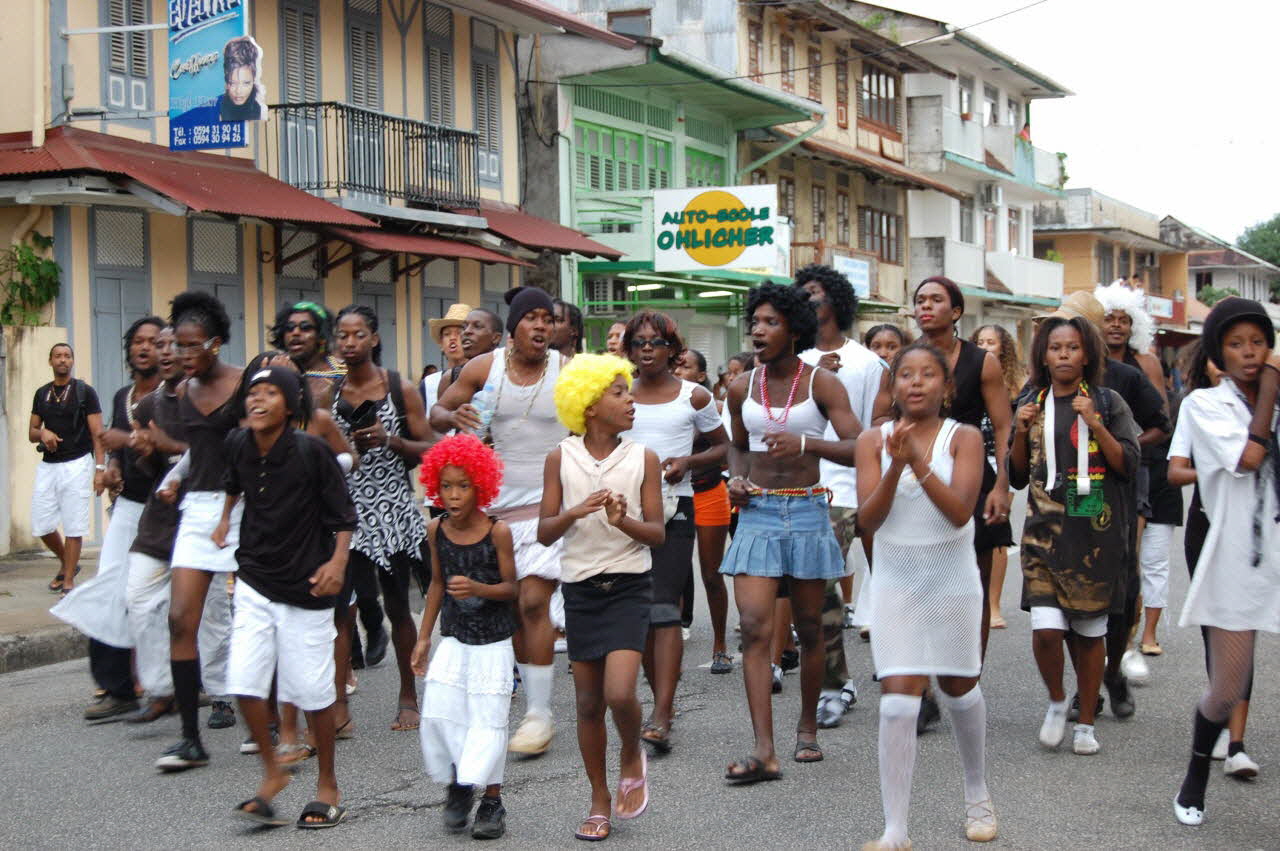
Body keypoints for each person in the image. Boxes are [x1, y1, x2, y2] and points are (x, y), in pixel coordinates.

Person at [856, 344, 995, 848]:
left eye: (928, 374)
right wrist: (895, 466)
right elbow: (867, 521)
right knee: (897, 703)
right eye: (906, 375)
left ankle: (977, 790)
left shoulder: (965, 438)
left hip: (952, 577)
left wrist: (918, 461)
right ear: (892, 389)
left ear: (947, 386)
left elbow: (960, 512)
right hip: (896, 579)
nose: (916, 383)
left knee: (960, 692)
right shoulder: (873, 440)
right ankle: (895, 829)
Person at [721, 283, 860, 782]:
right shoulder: (741, 387)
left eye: (770, 322)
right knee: (756, 629)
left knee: (811, 627)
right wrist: (735, 478)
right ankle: (764, 748)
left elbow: (858, 445)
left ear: (794, 329)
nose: (757, 330)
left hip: (806, 513)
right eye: (754, 321)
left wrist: (806, 442)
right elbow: (736, 444)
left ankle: (807, 728)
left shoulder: (822, 384)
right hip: (757, 514)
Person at [432, 286, 569, 756]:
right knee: (512, 609)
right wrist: (455, 412)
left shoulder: (568, 370)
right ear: (513, 327)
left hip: (548, 509)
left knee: (533, 602)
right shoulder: (484, 368)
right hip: (497, 512)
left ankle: (539, 714)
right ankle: (524, 695)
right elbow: (436, 413)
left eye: (547, 319)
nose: (541, 326)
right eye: (531, 317)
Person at [218, 366, 355, 830]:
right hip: (255, 578)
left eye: (270, 392)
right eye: (252, 392)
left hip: (308, 587)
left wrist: (336, 565)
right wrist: (222, 521)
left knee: (314, 693)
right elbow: (235, 487)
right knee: (242, 681)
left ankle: (328, 786)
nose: (257, 400)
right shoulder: (238, 444)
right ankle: (273, 771)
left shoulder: (312, 452)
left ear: (291, 404)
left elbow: (343, 517)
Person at [538, 353, 665, 841]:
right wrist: (576, 512)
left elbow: (655, 534)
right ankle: (598, 799)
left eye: (628, 391)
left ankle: (631, 751)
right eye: (618, 393)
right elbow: (546, 532)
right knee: (588, 704)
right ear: (588, 405)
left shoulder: (643, 457)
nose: (630, 400)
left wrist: (621, 521)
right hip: (580, 588)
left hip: (629, 583)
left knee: (619, 692)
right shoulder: (560, 457)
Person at [1169, 298, 1279, 826]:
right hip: (1240, 556)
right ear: (1218, 352)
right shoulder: (1203, 407)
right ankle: (1195, 774)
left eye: (1258, 342)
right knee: (1227, 687)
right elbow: (1247, 459)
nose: (1249, 353)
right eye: (1236, 344)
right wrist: (1273, 391)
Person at [1010, 315, 1140, 756]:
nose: (1064, 355)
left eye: (1073, 347)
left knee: (1088, 633)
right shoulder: (1031, 400)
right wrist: (1020, 431)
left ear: (1087, 355)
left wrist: (1097, 424)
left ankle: (1085, 723)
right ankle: (1056, 700)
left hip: (1095, 533)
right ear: (1043, 356)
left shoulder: (1108, 400)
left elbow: (1128, 466)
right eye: (1055, 348)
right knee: (1046, 630)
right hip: (1043, 533)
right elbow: (1014, 474)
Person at [620, 312, 727, 752]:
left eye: (657, 343)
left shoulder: (695, 396)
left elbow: (725, 447)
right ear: (628, 349)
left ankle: (662, 713)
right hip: (620, 510)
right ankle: (662, 696)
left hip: (674, 508)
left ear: (673, 351)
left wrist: (689, 462)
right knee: (641, 612)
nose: (648, 349)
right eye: (639, 342)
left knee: (664, 607)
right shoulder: (616, 391)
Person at [795, 264, 892, 729]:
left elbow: (876, 431)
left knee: (892, 582)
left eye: (814, 292)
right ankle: (837, 683)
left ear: (835, 299)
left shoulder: (868, 363)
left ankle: (908, 679)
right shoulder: (790, 358)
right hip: (804, 487)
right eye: (802, 293)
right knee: (818, 592)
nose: (807, 299)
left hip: (858, 483)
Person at [53, 317, 162, 722]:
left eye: (152, 341)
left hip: (169, 511)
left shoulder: (177, 395)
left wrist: (130, 444)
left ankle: (185, 683)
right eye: (137, 341)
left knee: (173, 600)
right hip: (131, 507)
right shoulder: (123, 396)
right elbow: (115, 445)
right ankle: (117, 689)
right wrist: (113, 466)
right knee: (110, 591)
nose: (144, 347)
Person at [332, 305, 434, 736]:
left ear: (374, 338)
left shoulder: (398, 387)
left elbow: (428, 446)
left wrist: (389, 440)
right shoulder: (329, 394)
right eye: (342, 335)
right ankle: (336, 705)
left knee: (397, 605)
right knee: (340, 612)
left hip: (392, 507)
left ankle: (408, 695)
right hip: (346, 511)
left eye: (358, 335)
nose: (349, 343)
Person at [153, 290, 243, 770]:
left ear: (216, 342)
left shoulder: (244, 383)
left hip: (244, 507)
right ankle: (191, 738)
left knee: (254, 619)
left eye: (191, 347)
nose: (183, 356)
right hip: (199, 509)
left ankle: (271, 723)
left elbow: (253, 451)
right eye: (178, 347)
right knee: (180, 618)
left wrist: (233, 510)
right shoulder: (185, 393)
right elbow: (199, 452)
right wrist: (174, 478)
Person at [412, 435, 517, 840]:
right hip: (454, 638)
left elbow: (512, 589)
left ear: (481, 485)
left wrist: (479, 589)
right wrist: (424, 639)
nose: (454, 496)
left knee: (488, 720)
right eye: (446, 487)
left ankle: (491, 799)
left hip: (493, 641)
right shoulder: (435, 528)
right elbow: (436, 584)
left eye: (464, 486)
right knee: (442, 712)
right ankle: (458, 784)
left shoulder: (498, 532)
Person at [1096, 282, 1180, 662]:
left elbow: (1160, 421)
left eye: (1123, 320)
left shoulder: (1144, 364)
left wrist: (1127, 447)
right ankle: (1098, 635)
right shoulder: (1085, 362)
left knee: (1136, 554)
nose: (1116, 326)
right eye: (1109, 319)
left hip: (1139, 469)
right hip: (1091, 473)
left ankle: (1136, 637)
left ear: (1134, 326)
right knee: (1097, 548)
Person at [123, 326, 188, 723]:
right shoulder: (147, 407)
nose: (163, 353)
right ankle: (161, 690)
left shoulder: (209, 400)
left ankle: (218, 693)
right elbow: (147, 470)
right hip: (158, 521)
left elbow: (220, 456)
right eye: (158, 345)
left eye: (172, 346)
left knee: (204, 614)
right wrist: (139, 453)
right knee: (139, 600)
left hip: (202, 518)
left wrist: (168, 447)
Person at [674, 348, 733, 672]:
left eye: (686, 366)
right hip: (672, 496)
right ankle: (666, 651)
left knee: (712, 574)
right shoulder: (660, 405)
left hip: (708, 492)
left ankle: (720, 645)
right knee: (672, 575)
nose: (679, 370)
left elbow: (726, 451)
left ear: (700, 376)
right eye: (677, 364)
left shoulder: (715, 407)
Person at [30, 343, 105, 596]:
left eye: (67, 356)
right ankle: (67, 563)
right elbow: (31, 432)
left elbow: (98, 434)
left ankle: (69, 579)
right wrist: (43, 432)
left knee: (74, 524)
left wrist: (99, 469)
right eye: (58, 356)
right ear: (50, 361)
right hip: (49, 466)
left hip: (77, 463)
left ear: (72, 361)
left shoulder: (85, 392)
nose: (63, 360)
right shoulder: (42, 394)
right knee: (41, 524)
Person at [970, 324, 1026, 630]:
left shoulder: (1014, 383)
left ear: (1003, 346)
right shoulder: (969, 373)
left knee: (996, 530)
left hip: (998, 457)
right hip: (970, 456)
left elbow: (1010, 426)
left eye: (991, 341)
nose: (985, 346)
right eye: (980, 341)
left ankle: (993, 604)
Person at [269, 301, 345, 406]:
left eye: (305, 327)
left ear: (321, 335)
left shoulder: (344, 373)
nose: (295, 333)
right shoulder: (275, 368)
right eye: (289, 328)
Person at [437, 307, 505, 401]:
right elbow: (438, 413)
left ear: (496, 338)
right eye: (464, 327)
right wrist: (452, 415)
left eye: (477, 326)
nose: (467, 331)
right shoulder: (450, 378)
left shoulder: (509, 374)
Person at [423, 303, 472, 414]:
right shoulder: (428, 384)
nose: (453, 338)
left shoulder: (485, 379)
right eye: (447, 334)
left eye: (459, 333)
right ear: (441, 344)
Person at [218, 36, 267, 122]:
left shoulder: (257, 110)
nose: (238, 91)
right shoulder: (218, 108)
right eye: (232, 83)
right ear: (226, 82)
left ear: (254, 79)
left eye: (246, 83)